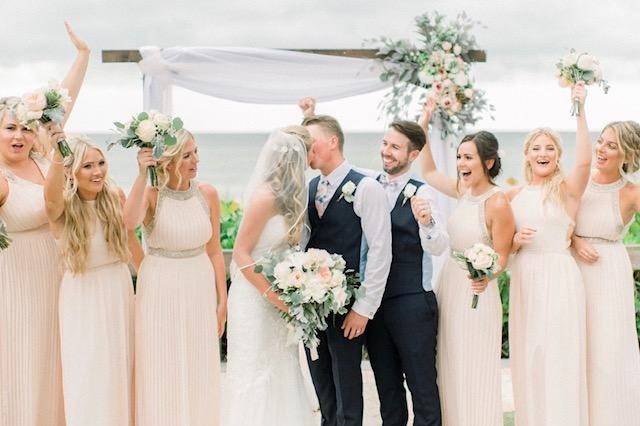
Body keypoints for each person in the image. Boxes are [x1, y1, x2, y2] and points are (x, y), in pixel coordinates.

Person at [0, 22, 88, 426]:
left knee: (60, 355)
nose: (18, 136)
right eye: (9, 128)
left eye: (24, 128)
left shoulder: (42, 156)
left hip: (57, 272)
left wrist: (83, 56)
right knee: (25, 359)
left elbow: (63, 105)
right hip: (17, 282)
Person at [419, 98, 515, 426]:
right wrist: (424, 124)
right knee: (450, 365)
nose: (461, 162)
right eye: (459, 156)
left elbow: (503, 254)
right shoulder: (463, 190)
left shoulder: (498, 202)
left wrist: (487, 277)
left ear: (488, 162)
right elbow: (429, 171)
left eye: (468, 157)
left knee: (474, 367)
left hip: (478, 292)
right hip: (450, 286)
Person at [123, 129, 227, 426]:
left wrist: (222, 300)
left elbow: (216, 250)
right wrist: (142, 174)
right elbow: (127, 223)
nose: (196, 160)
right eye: (187, 155)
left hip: (199, 284)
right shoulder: (152, 195)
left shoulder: (208, 194)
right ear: (168, 161)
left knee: (198, 362)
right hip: (160, 287)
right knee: (161, 361)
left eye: (196, 151)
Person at [299, 99, 392, 426]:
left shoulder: (367, 187)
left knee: (347, 389)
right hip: (313, 308)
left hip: (348, 306)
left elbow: (381, 250)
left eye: (311, 144)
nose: (307, 151)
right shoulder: (309, 187)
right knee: (322, 387)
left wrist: (363, 308)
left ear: (332, 141)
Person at [507, 82, 590, 425]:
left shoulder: (567, 191)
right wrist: (515, 241)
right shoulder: (513, 196)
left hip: (560, 277)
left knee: (560, 354)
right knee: (531, 356)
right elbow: (501, 245)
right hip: (525, 278)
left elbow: (585, 161)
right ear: (526, 154)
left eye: (550, 148)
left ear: (558, 155)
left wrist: (580, 108)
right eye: (536, 148)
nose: (543, 153)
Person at [224, 126, 317, 425]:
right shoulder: (265, 196)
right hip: (254, 296)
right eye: (307, 152)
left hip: (281, 297)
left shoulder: (294, 195)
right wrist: (271, 294)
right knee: (255, 370)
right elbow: (240, 253)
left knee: (284, 368)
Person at [44, 134, 139, 425]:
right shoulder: (61, 208)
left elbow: (134, 247)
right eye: (87, 166)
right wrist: (59, 150)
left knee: (119, 369)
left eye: (101, 163)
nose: (97, 171)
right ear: (72, 170)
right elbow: (51, 194)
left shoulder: (115, 198)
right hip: (82, 294)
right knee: (87, 369)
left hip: (118, 289)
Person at [571, 120, 640, 425]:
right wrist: (574, 242)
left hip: (611, 272)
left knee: (610, 350)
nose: (601, 149)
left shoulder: (631, 192)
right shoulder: (579, 180)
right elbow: (554, 218)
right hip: (573, 272)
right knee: (577, 348)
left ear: (627, 154)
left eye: (611, 146)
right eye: (601, 141)